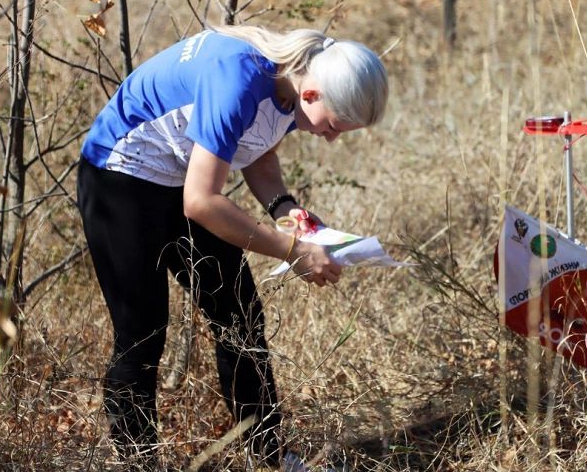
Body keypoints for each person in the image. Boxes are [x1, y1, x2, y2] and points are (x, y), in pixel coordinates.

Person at [76, 25, 388, 470]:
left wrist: (288, 211)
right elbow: (201, 203)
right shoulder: (238, 82)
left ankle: (270, 458)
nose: (332, 137)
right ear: (312, 94)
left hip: (178, 180)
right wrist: (293, 251)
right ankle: (139, 464)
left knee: (241, 317)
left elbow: (258, 150)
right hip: (119, 179)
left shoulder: (295, 79)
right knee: (142, 333)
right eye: (334, 125)